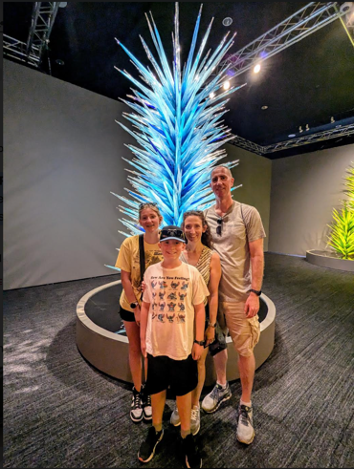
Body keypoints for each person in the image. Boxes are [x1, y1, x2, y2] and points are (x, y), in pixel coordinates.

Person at [201, 165, 266, 445]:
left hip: (240, 296)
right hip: (212, 296)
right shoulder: (204, 215)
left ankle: (246, 404)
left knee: (244, 349)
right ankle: (222, 386)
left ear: (231, 182)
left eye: (222, 177)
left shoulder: (248, 213)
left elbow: (257, 255)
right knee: (216, 344)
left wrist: (255, 292)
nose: (218, 182)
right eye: (214, 179)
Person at [138, 225, 209, 468]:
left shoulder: (192, 274)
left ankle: (186, 434)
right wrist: (142, 338)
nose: (171, 247)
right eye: (166, 243)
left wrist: (199, 341)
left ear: (183, 246)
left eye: (176, 243)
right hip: (156, 345)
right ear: (160, 245)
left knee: (183, 390)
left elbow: (200, 309)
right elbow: (146, 306)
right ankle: (156, 429)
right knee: (156, 389)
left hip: (183, 346)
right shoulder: (151, 272)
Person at [169, 210, 222, 436]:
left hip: (202, 320)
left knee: (198, 362)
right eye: (188, 227)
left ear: (204, 228)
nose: (191, 231)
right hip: (178, 319)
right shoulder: (176, 254)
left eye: (196, 226)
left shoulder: (212, 257)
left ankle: (193, 407)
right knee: (180, 363)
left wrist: (211, 326)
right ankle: (181, 403)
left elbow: (214, 293)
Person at [115, 202, 163, 423]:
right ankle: (137, 392)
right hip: (131, 305)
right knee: (135, 348)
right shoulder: (130, 243)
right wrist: (135, 307)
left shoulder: (168, 242)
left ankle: (152, 392)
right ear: (139, 221)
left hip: (157, 309)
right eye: (144, 217)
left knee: (153, 351)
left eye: (152, 216)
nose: (149, 221)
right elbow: (125, 277)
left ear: (159, 218)